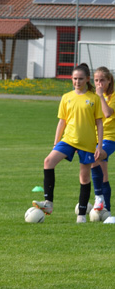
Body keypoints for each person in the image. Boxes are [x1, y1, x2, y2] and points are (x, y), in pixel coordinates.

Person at [33, 63, 103, 223]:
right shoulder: (66, 97)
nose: (77, 82)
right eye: (75, 78)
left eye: (80, 79)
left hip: (87, 142)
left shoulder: (94, 99)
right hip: (68, 139)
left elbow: (99, 123)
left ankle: (81, 215)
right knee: (48, 161)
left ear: (87, 79)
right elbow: (62, 121)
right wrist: (55, 143)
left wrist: (99, 145)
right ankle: (48, 203)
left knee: (84, 177)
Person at [91, 66, 113, 214]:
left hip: (110, 138)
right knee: (103, 175)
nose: (99, 84)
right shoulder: (93, 97)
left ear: (109, 80)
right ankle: (106, 210)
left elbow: (107, 113)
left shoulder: (112, 96)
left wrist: (100, 96)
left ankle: (98, 197)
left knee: (96, 157)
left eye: (102, 80)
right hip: (94, 138)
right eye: (96, 80)